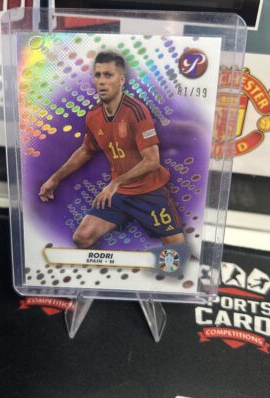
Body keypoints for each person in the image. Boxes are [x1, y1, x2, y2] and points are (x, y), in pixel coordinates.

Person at [39, 51, 184, 249]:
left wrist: (115, 183)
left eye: (108, 75)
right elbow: (86, 150)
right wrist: (55, 179)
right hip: (120, 193)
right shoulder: (93, 116)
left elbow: (152, 161)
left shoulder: (136, 111)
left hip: (149, 192)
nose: (101, 81)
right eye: (98, 75)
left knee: (177, 250)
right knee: (82, 238)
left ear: (121, 80)